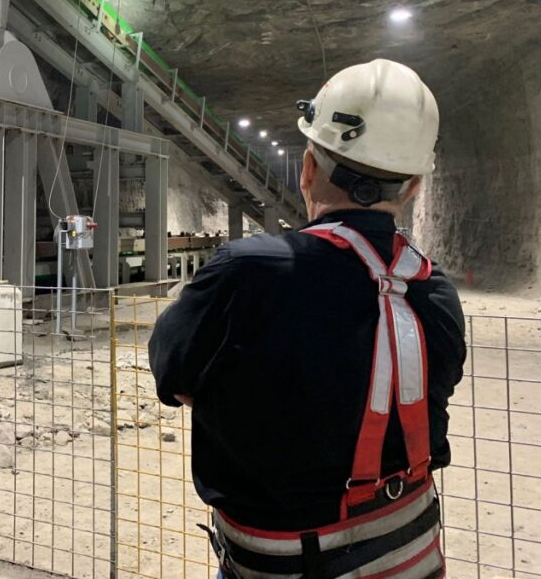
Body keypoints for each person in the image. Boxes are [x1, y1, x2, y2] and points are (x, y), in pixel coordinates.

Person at [149, 58, 466, 579]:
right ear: (412, 188)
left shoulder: (246, 274)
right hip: (411, 551)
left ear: (308, 169)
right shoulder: (434, 292)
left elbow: (173, 373)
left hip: (281, 562)